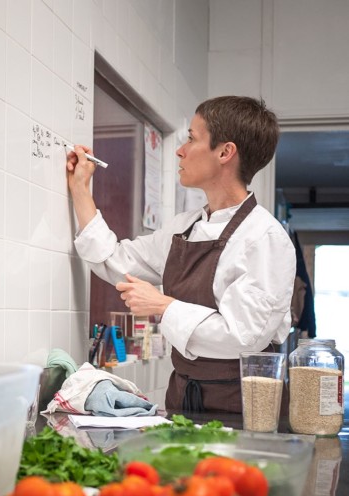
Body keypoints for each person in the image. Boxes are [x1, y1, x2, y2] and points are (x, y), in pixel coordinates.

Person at [66, 95, 296, 414]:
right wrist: (80, 189)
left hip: (244, 410)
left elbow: (244, 337)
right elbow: (115, 261)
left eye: (191, 138)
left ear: (225, 152)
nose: (180, 149)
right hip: (183, 400)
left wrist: (163, 305)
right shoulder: (183, 228)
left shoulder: (266, 238)